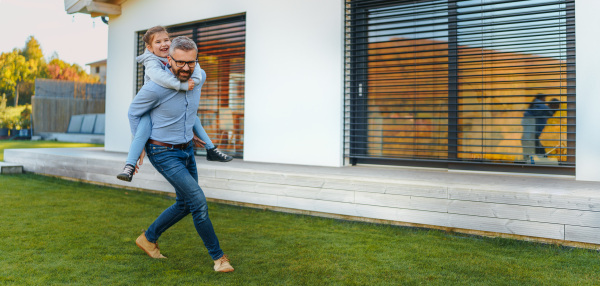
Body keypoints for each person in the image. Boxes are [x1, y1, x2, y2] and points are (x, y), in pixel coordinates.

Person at [128, 36, 234, 272]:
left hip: (186, 149)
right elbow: (133, 112)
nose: (186, 68)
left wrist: (190, 132)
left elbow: (188, 111)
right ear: (169, 59)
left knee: (185, 203)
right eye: (180, 63)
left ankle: (148, 238)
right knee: (197, 201)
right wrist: (140, 145)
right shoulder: (155, 87)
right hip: (162, 151)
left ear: (197, 60)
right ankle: (219, 258)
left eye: (191, 62)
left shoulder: (200, 76)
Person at [117, 26, 232, 182]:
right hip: (152, 108)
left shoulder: (177, 55)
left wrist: (195, 82)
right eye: (158, 42)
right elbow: (160, 78)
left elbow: (196, 68)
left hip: (172, 103)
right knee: (142, 131)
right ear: (150, 48)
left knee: (193, 118)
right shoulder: (151, 60)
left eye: (166, 40)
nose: (164, 44)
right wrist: (183, 86)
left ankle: (211, 149)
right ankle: (129, 166)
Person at [521, 94, 558, 161]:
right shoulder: (543, 109)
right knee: (542, 158)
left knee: (528, 160)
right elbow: (548, 111)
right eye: (557, 107)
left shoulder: (540, 110)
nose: (545, 100)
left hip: (527, 137)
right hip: (530, 138)